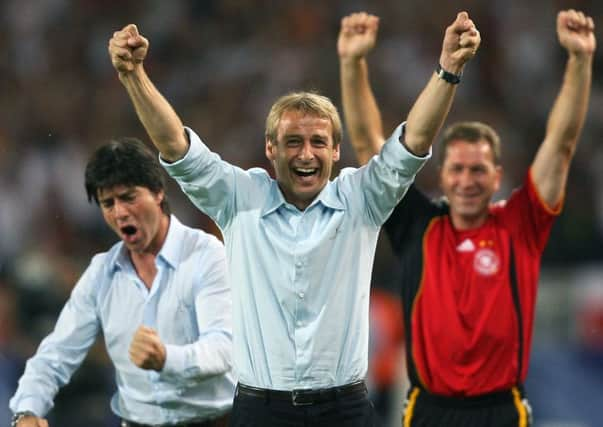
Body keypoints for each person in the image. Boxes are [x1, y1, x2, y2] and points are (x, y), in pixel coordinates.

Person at [107, 11, 478, 426]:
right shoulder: (238, 198)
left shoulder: (362, 198)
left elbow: (413, 143)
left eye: (318, 142)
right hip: (261, 409)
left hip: (344, 410)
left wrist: (448, 69)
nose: (305, 154)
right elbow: (176, 145)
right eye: (293, 142)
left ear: (336, 151)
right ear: (270, 149)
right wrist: (133, 76)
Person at [339, 8, 595, 427]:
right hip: (427, 409)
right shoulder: (418, 225)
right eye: (457, 169)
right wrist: (352, 63)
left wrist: (580, 61)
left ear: (497, 176)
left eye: (479, 170)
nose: (467, 180)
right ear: (442, 175)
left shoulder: (519, 224)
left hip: (501, 409)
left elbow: (561, 144)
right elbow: (371, 146)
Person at [9, 138, 235, 427]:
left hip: (215, 422)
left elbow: (224, 348)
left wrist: (167, 358)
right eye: (108, 203)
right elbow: (56, 353)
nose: (119, 212)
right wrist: (27, 409)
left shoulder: (206, 255)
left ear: (158, 193)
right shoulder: (102, 272)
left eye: (128, 197)